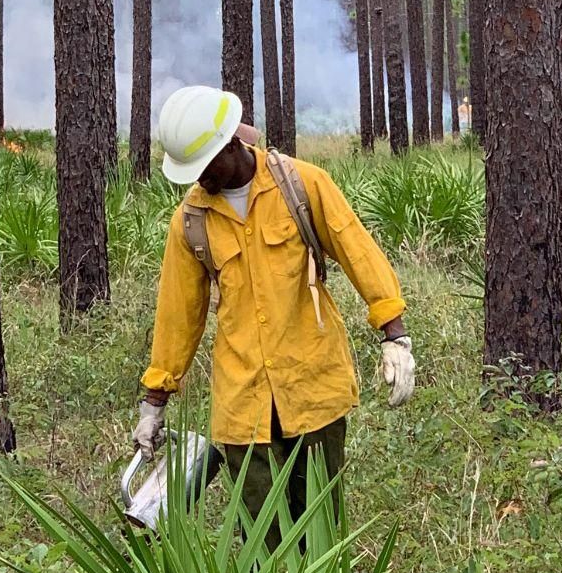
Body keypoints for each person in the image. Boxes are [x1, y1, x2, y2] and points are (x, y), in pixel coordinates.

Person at [133, 84, 414, 538]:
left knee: (322, 527)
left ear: (231, 143)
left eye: (204, 166)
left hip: (313, 387)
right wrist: (155, 400)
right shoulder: (191, 220)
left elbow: (359, 251)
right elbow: (177, 314)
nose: (200, 179)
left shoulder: (302, 184)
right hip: (243, 403)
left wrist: (394, 334)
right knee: (260, 540)